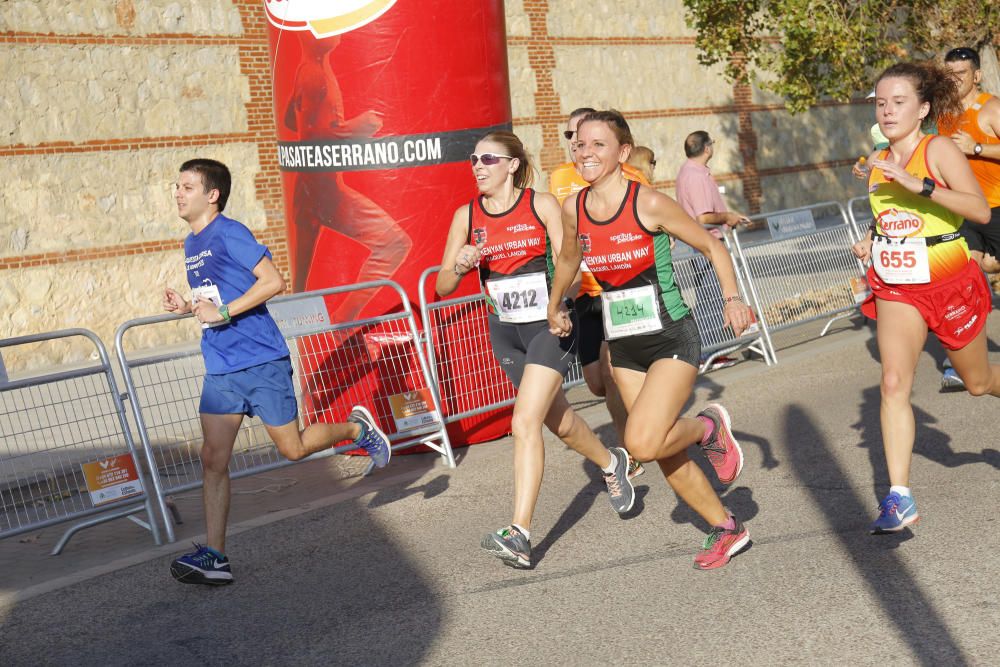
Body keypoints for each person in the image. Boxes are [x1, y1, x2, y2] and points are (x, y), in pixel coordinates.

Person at [164, 159, 391, 585]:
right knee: (213, 459)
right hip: (221, 366)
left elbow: (273, 281)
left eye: (187, 186)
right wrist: (188, 307)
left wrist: (225, 311)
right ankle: (216, 556)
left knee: (293, 448)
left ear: (212, 195)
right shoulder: (191, 244)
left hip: (262, 361)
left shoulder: (230, 232)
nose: (178, 193)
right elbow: (215, 298)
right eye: (176, 186)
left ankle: (356, 430)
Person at [547, 111, 754, 570]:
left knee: (640, 443)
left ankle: (708, 428)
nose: (586, 153)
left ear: (622, 154)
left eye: (598, 145)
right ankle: (727, 528)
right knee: (662, 450)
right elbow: (568, 258)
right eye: (580, 144)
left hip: (670, 337)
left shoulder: (648, 203)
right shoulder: (573, 208)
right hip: (622, 344)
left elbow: (711, 246)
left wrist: (733, 298)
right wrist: (555, 301)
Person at [437, 131, 636, 569]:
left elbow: (570, 257)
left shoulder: (540, 204)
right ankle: (611, 461)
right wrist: (460, 263)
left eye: (488, 158)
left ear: (512, 164)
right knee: (558, 422)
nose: (477, 165)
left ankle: (520, 533)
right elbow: (442, 285)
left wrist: (558, 303)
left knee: (523, 421)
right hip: (506, 331)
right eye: (473, 159)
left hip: (550, 324)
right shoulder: (465, 216)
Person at [851, 62, 997, 534]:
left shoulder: (936, 151)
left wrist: (924, 186)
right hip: (896, 284)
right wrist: (874, 238)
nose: (888, 110)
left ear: (923, 107)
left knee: (977, 383)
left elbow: (977, 208)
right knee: (893, 381)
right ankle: (899, 496)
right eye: (881, 102)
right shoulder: (876, 157)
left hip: (948, 278)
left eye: (898, 102)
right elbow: (889, 213)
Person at [284, 32, 412, 320]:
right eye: (322, 28)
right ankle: (345, 317)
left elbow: (290, 120)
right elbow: (317, 134)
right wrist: (359, 126)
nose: (333, 31)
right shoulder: (314, 74)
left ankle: (313, 332)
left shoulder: (308, 70)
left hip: (307, 185)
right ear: (308, 37)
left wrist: (320, 119)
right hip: (326, 191)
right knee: (395, 243)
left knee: (301, 283)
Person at [549, 107, 646, 476]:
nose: (576, 144)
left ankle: (630, 451)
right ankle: (638, 412)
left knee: (610, 369)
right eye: (570, 138)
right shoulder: (558, 180)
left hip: (616, 291)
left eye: (582, 136)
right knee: (595, 382)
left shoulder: (629, 176)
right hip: (581, 292)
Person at [937, 47, 1000, 390]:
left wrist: (976, 148)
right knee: (966, 280)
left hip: (998, 207)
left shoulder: (990, 107)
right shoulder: (944, 114)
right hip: (964, 210)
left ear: (976, 75)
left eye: (961, 73)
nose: (954, 79)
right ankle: (960, 361)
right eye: (949, 73)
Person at [675, 131, 753, 370]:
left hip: (703, 244)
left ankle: (709, 351)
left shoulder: (691, 172)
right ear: (707, 148)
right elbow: (703, 216)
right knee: (710, 299)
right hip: (705, 246)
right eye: (712, 144)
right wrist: (728, 217)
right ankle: (707, 353)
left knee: (708, 298)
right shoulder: (695, 176)